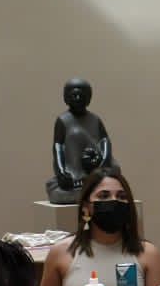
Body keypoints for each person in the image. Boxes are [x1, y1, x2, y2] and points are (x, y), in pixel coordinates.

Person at [45, 77, 111, 205]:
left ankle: (93, 183)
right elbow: (58, 147)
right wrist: (61, 171)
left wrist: (105, 160)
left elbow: (105, 141)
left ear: (88, 98)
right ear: (66, 98)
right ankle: (81, 183)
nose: (78, 98)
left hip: (95, 164)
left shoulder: (95, 119)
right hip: (73, 168)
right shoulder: (63, 120)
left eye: (81, 95)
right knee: (76, 135)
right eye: (74, 95)